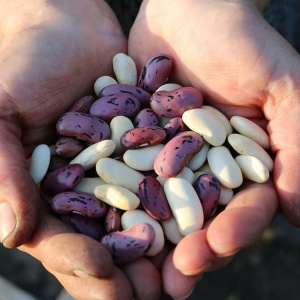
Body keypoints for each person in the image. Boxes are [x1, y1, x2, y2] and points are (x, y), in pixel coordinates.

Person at [0, 0, 299, 299]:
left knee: (194, 253)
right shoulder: (117, 140)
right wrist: (35, 10)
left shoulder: (176, 131)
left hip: (221, 29)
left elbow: (158, 160)